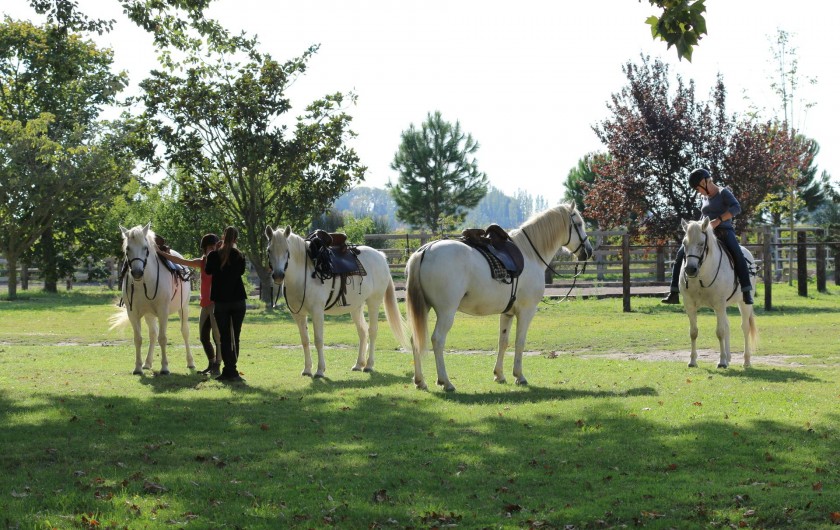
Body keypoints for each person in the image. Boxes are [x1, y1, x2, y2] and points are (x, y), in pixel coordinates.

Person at [662, 168, 754, 305]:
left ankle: (746, 291)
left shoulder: (723, 193)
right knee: (681, 253)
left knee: (737, 253)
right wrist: (697, 227)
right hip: (705, 232)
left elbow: (736, 208)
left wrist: (718, 221)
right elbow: (703, 215)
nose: (698, 191)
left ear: (704, 182)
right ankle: (674, 292)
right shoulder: (704, 196)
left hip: (724, 231)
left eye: (697, 188)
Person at [157, 234, 223, 375]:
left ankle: (218, 365)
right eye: (209, 248)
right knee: (203, 337)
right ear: (204, 249)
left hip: (216, 303)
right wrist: (160, 253)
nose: (212, 250)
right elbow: (181, 261)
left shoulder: (220, 261)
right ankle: (211, 363)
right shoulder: (202, 262)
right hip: (205, 304)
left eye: (214, 248)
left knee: (217, 336)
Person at [205, 226, 248, 382]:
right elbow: (241, 272)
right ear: (236, 239)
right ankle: (232, 369)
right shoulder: (239, 256)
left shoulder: (214, 256)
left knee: (224, 337)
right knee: (235, 336)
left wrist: (214, 251)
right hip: (238, 300)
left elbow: (208, 271)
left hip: (221, 302)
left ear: (223, 236)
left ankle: (227, 370)